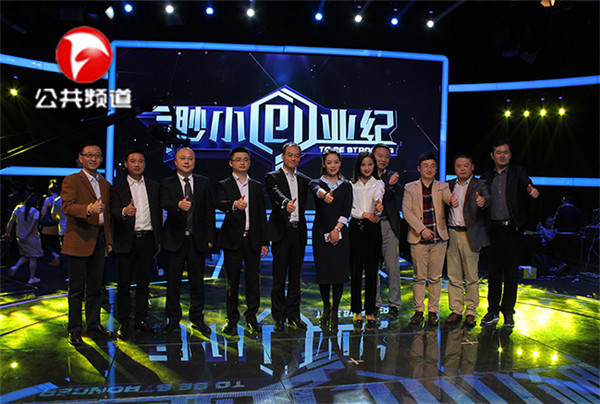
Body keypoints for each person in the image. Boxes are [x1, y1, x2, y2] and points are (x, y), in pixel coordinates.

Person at [480, 140, 539, 328]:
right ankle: (492, 310)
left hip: (513, 230)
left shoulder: (518, 172)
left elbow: (526, 182)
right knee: (494, 273)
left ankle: (508, 312)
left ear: (510, 155)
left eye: (506, 152)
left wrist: (530, 188)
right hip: (493, 230)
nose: (502, 155)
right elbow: (480, 199)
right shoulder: (486, 177)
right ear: (492, 156)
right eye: (499, 152)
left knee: (511, 274)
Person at [61, 143, 114, 345]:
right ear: (81, 158)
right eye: (89, 155)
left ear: (101, 159)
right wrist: (89, 209)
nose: (93, 159)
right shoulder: (72, 180)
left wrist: (109, 240)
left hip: (99, 239)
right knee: (76, 289)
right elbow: (67, 207)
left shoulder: (106, 184)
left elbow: (107, 216)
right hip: (78, 239)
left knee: (96, 288)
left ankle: (94, 325)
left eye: (97, 156)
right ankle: (75, 329)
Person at [160, 147, 215, 335]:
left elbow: (209, 211)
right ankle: (173, 320)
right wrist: (177, 205)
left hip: (197, 240)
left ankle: (197, 318)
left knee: (197, 283)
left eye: (190, 158)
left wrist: (210, 238)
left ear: (194, 161)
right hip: (174, 240)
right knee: (173, 283)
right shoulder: (166, 182)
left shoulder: (203, 182)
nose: (186, 161)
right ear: (175, 161)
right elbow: (162, 202)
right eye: (182, 158)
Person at [216, 146, 269, 335]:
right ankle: (231, 319)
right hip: (232, 240)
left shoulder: (256, 185)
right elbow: (219, 203)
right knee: (232, 282)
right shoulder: (224, 184)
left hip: (253, 240)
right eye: (238, 159)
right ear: (231, 163)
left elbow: (261, 214)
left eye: (245, 159)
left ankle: (251, 318)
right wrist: (234, 204)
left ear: (250, 162)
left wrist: (265, 241)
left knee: (253, 281)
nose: (242, 162)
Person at [110, 149, 162, 339]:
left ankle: (141, 320)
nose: (137, 164)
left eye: (140, 161)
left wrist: (159, 241)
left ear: (145, 164)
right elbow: (112, 210)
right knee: (123, 285)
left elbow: (159, 214)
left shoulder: (154, 186)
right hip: (126, 240)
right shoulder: (117, 187)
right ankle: (124, 322)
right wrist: (124, 211)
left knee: (144, 284)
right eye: (133, 161)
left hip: (147, 240)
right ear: (126, 164)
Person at [265, 142, 311, 332]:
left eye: (297, 155)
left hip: (298, 232)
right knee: (279, 277)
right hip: (281, 233)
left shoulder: (304, 180)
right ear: (283, 156)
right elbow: (274, 193)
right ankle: (279, 317)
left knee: (295, 277)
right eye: (290, 155)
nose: (293, 158)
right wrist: (285, 203)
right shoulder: (272, 177)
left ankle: (294, 315)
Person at [402, 152, 452, 327]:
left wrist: (452, 200)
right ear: (419, 168)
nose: (429, 169)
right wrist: (422, 229)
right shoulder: (410, 187)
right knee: (419, 277)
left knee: (436, 278)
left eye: (432, 166)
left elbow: (448, 198)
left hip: (439, 238)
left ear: (436, 168)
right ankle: (418, 311)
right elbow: (406, 211)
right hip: (418, 238)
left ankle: (433, 312)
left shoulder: (443, 186)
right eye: (425, 166)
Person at [445, 152, 491, 327]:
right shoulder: (448, 185)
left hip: (470, 234)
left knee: (471, 276)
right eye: (458, 166)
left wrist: (483, 201)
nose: (462, 169)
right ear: (454, 168)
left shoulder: (480, 184)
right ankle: (456, 309)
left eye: (466, 166)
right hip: (452, 233)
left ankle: (471, 311)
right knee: (453, 275)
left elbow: (488, 198)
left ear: (472, 167)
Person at [309, 149, 353, 330]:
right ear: (324, 164)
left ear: (340, 163)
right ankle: (326, 307)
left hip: (341, 233)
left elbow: (347, 210)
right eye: (329, 162)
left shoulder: (347, 185)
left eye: (335, 162)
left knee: (339, 274)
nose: (332, 166)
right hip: (320, 233)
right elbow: (315, 190)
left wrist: (336, 229)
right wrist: (324, 194)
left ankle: (335, 310)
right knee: (324, 273)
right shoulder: (316, 183)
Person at [349, 152, 385, 330]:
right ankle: (356, 311)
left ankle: (370, 310)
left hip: (372, 230)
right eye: (363, 165)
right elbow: (348, 208)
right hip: (356, 228)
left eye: (370, 164)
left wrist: (378, 207)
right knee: (355, 271)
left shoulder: (378, 184)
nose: (367, 168)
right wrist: (364, 214)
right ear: (358, 166)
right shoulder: (350, 185)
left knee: (372, 271)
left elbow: (378, 198)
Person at [372, 143, 404, 319]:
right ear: (373, 156)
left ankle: (394, 304)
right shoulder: (365, 175)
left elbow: (399, 190)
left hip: (388, 225)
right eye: (380, 156)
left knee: (392, 267)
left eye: (387, 157)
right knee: (372, 267)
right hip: (370, 226)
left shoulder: (392, 175)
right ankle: (374, 303)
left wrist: (392, 184)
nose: (383, 159)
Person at [5, 193, 43, 284]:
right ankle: (32, 278)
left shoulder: (18, 208)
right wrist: (25, 236)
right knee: (33, 257)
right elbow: (32, 227)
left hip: (19, 236)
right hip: (31, 237)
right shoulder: (35, 212)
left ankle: (15, 267)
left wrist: (7, 233)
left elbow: (11, 221)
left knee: (26, 255)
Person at [40, 179, 61, 267]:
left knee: (47, 243)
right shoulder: (61, 199)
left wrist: (41, 221)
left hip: (48, 225)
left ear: (50, 190)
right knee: (56, 243)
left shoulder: (48, 200)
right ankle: (56, 260)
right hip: (58, 224)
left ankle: (55, 256)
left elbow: (43, 211)